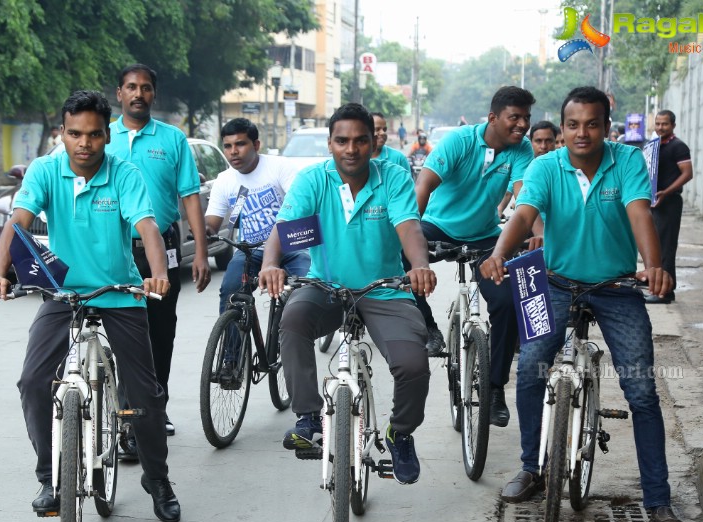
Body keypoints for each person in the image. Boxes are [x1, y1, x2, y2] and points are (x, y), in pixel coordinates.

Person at [479, 86, 685, 522]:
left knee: (642, 391)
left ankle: (658, 501)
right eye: (573, 124)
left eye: (592, 124)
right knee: (532, 363)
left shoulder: (628, 162)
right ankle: (531, 467)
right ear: (562, 128)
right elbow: (522, 213)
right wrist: (499, 253)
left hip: (616, 287)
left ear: (607, 127)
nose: (581, 133)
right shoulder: (544, 167)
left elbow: (639, 214)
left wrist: (654, 266)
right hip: (553, 282)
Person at [0, 90, 180, 522]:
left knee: (144, 394)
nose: (83, 143)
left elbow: (147, 227)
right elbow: (18, 224)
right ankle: (50, 477)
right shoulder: (46, 171)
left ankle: (157, 478)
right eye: (74, 134)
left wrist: (157, 273)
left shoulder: (124, 175)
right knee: (33, 381)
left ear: (107, 136)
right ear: (62, 134)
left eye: (92, 134)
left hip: (121, 292)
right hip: (63, 292)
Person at [258, 103, 437, 484]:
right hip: (325, 287)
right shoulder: (313, 181)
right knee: (292, 319)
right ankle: (307, 418)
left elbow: (409, 228)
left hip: (384, 290)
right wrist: (270, 263)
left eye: (360, 140)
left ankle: (400, 434)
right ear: (330, 144)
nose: (351, 149)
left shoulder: (392, 176)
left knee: (413, 365)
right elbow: (287, 228)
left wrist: (419, 265)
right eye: (342, 141)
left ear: (374, 143)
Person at [414, 85, 536, 428]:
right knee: (400, 258)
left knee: (508, 300)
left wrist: (536, 230)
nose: (523, 125)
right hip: (437, 227)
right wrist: (413, 240)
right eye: (515, 117)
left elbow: (523, 196)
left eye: (527, 117)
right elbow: (423, 186)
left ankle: (495, 388)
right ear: (494, 118)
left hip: (486, 236)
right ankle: (428, 327)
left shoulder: (520, 149)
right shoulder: (459, 141)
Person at [107, 63, 211, 439]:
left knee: (159, 331)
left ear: (154, 94)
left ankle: (155, 408)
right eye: (131, 87)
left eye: (146, 88)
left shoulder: (172, 139)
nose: (139, 94)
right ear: (119, 93)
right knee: (120, 332)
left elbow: (190, 197)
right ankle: (121, 411)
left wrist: (200, 251)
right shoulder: (103, 138)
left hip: (161, 252)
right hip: (112, 251)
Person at [205, 117, 310, 330]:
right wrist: (203, 231)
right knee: (230, 293)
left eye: (240, 144)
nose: (233, 151)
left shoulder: (280, 167)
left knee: (306, 291)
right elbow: (212, 222)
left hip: (290, 247)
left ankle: (289, 341)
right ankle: (231, 360)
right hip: (250, 252)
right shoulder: (224, 180)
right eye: (228, 146)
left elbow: (301, 207)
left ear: (256, 145)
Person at [644, 110, 693, 305]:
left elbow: (687, 173)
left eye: (664, 124)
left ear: (672, 125)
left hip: (669, 202)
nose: (660, 128)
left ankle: (665, 292)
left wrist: (667, 191)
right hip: (655, 202)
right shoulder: (654, 146)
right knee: (655, 246)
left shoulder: (678, 147)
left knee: (666, 247)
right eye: (657, 124)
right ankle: (660, 287)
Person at [497, 120, 558, 216]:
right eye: (538, 141)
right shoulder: (523, 167)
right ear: (531, 142)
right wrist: (499, 210)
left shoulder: (563, 167)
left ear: (555, 141)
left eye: (548, 141)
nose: (543, 146)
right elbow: (508, 192)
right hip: (531, 222)